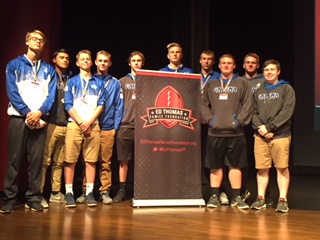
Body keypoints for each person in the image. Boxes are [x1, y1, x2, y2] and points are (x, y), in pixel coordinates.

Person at [0, 30, 57, 214]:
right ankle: (9, 199)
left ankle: (33, 197)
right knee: (14, 160)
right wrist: (27, 113)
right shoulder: (14, 65)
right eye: (34, 39)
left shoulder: (48, 69)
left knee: (36, 161)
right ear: (27, 41)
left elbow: (51, 96)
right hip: (18, 117)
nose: (38, 42)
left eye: (41, 40)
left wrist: (39, 112)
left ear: (44, 45)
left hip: (39, 119)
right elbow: (12, 92)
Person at [201, 53, 253, 209]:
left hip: (236, 133)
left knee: (235, 166)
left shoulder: (242, 83)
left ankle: (237, 197)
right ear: (219, 65)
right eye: (223, 63)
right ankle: (214, 195)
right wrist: (211, 121)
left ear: (234, 65)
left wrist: (239, 122)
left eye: (229, 63)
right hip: (215, 132)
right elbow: (203, 104)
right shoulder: (211, 84)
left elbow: (248, 104)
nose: (226, 65)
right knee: (215, 165)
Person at [76, 50, 123, 205]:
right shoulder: (89, 80)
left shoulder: (115, 83)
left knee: (105, 162)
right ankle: (86, 190)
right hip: (90, 126)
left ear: (109, 63)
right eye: (100, 61)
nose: (102, 63)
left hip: (107, 127)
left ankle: (105, 191)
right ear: (94, 62)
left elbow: (118, 106)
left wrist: (115, 127)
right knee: (88, 160)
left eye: (105, 61)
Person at [250, 59, 295, 213]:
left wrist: (270, 127)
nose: (269, 72)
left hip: (280, 135)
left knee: (282, 167)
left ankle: (283, 199)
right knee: (262, 168)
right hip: (260, 136)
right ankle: (261, 198)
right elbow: (253, 112)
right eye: (266, 70)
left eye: (272, 70)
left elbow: (286, 112)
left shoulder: (286, 88)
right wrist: (261, 129)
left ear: (278, 71)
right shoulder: (258, 91)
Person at [63, 49, 105, 208]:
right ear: (77, 62)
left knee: (91, 160)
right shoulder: (72, 82)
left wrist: (89, 122)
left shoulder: (98, 82)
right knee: (70, 160)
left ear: (91, 62)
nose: (86, 61)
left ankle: (89, 193)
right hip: (75, 124)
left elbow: (101, 105)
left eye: (88, 59)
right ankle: (69, 192)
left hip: (93, 125)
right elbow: (67, 104)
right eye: (83, 59)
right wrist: (81, 122)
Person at [40, 49, 72, 208]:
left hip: (67, 125)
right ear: (54, 60)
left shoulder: (71, 78)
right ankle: (37, 194)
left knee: (59, 162)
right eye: (61, 57)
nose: (65, 60)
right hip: (51, 123)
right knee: (45, 160)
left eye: (67, 58)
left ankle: (55, 192)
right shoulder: (49, 75)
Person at [113, 51, 145, 203]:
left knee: (143, 160)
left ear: (142, 63)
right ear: (129, 63)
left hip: (145, 126)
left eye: (139, 61)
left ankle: (141, 189)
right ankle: (122, 189)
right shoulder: (122, 81)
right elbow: (117, 105)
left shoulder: (148, 80)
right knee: (124, 160)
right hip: (126, 125)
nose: (137, 63)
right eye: (134, 61)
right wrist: (117, 125)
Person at [241, 53, 266, 203]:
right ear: (243, 65)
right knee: (243, 161)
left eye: (253, 63)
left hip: (259, 125)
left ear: (257, 65)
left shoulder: (264, 80)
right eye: (247, 62)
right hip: (243, 125)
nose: (250, 65)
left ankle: (264, 195)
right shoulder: (238, 81)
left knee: (262, 162)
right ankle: (243, 191)